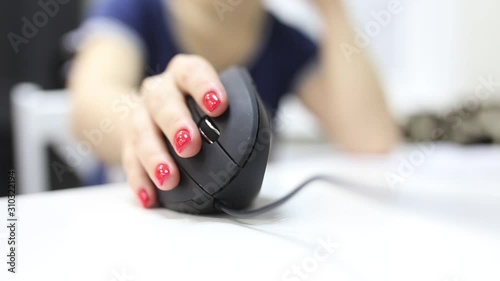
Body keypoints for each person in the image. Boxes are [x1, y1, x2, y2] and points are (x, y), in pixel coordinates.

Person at [68, 0, 400, 208]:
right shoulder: (134, 9)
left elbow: (372, 139)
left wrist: (333, 10)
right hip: (127, 225)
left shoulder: (285, 42)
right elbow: (89, 103)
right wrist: (145, 122)